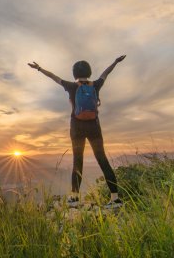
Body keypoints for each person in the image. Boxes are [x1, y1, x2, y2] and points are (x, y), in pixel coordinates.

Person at [28, 55, 126, 209]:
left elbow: (54, 77)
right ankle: (115, 198)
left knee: (77, 161)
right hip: (94, 127)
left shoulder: (72, 86)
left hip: (76, 128)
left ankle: (74, 197)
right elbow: (106, 73)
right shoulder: (96, 85)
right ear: (89, 71)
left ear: (74, 73)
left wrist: (39, 68)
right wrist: (115, 61)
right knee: (103, 160)